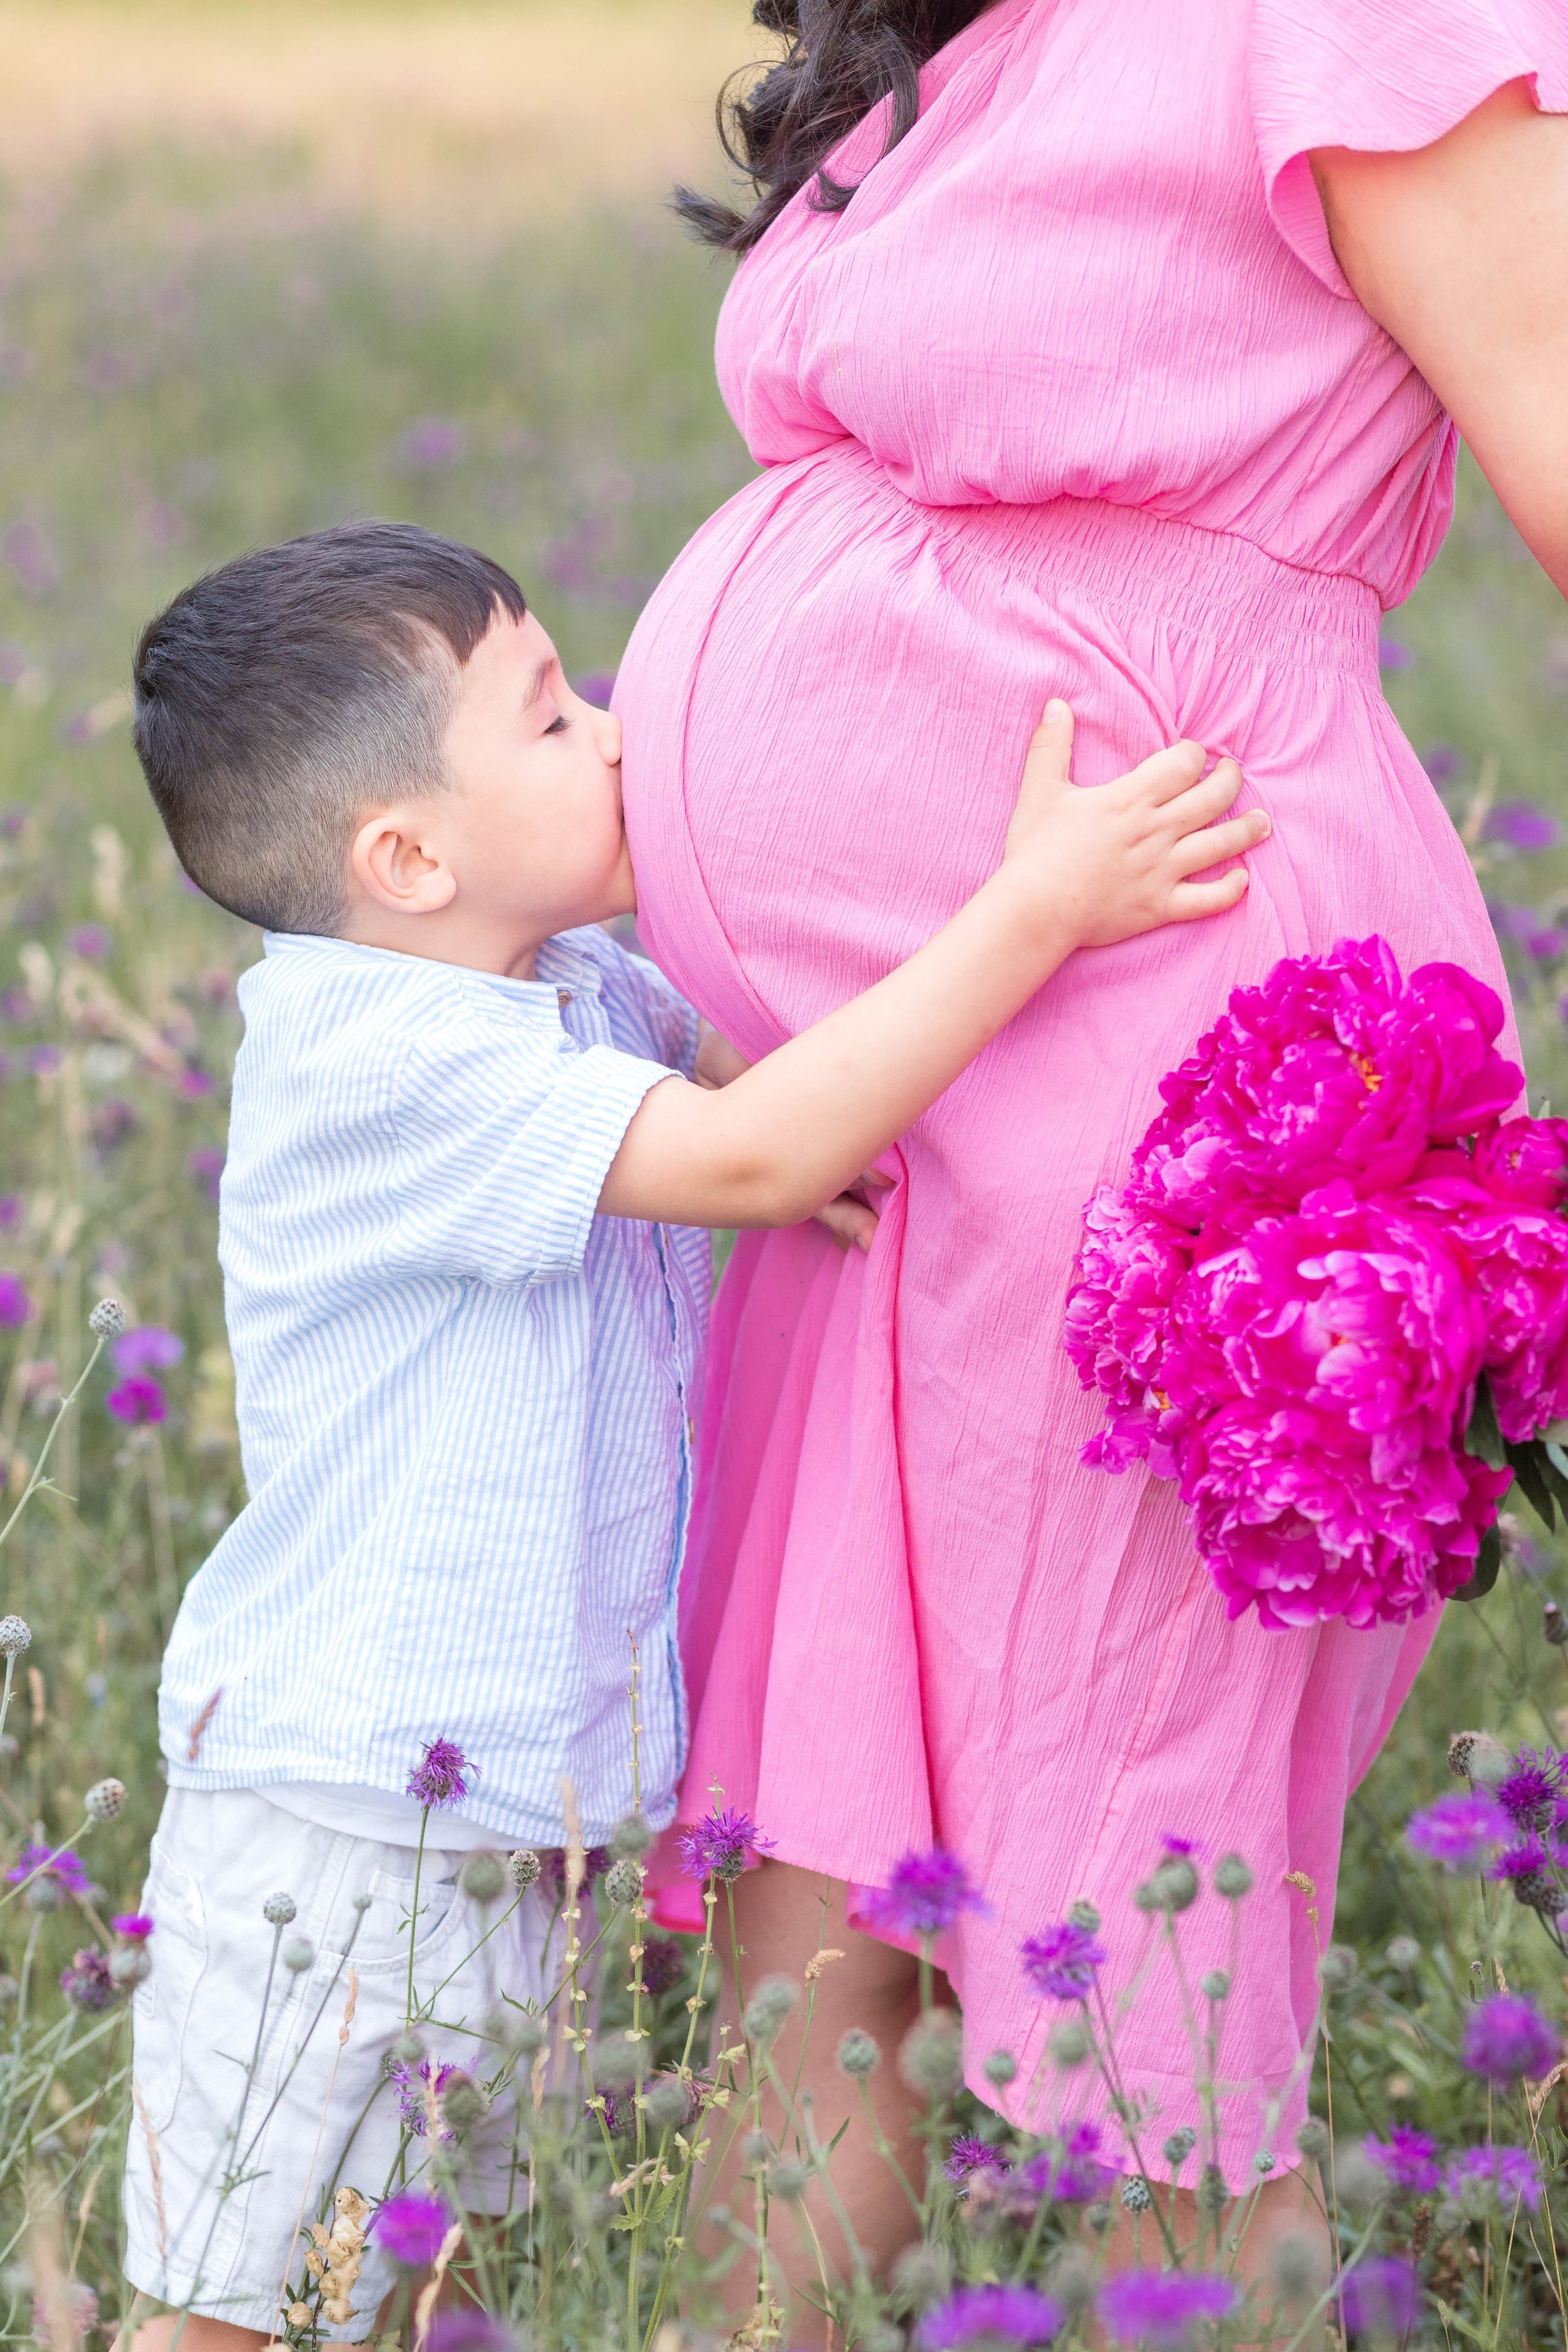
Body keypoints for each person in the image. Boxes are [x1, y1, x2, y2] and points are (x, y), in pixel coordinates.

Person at [615, 0, 1568, 2297]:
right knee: (811, 1957)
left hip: (1162, 1117)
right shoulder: (978, 24)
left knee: (1144, 2002)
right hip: (867, 1138)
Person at [116, 518, 1263, 2348]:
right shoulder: (379, 1058)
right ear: (404, 857)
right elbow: (748, 1152)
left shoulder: (560, 986)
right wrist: (1034, 907)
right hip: (337, 1829)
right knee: (243, 2305)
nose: (628, 730)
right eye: (556, 716)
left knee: (432, 2281)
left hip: (513, 1807)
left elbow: (734, 1100)